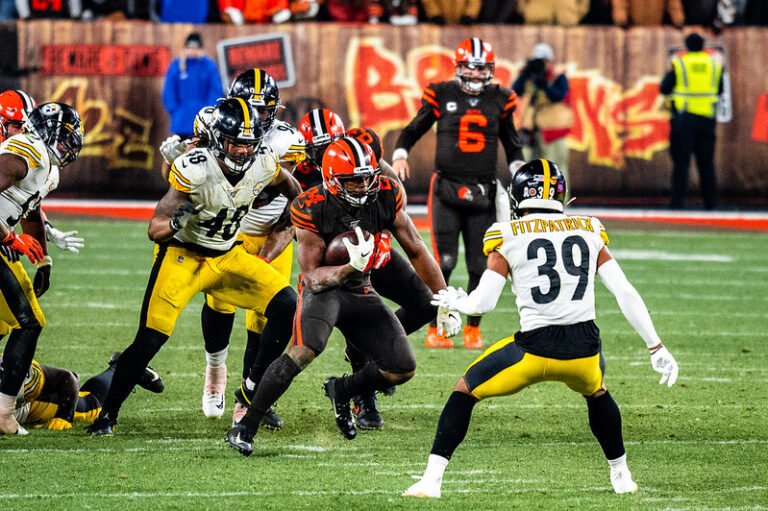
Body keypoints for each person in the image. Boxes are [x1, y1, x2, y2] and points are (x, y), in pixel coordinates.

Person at [403, 159, 680, 498]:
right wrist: (656, 346)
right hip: (584, 353)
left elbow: (483, 303)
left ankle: (431, 481)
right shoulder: (589, 229)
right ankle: (621, 476)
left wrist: (456, 301)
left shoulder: (506, 234)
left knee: (464, 391)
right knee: (597, 392)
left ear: (520, 196)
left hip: (532, 351)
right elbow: (625, 292)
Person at [225, 136, 460, 456]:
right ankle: (246, 424)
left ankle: (342, 390)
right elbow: (313, 277)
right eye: (354, 180)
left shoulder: (386, 194)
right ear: (333, 180)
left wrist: (442, 299)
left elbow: (417, 249)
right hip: (325, 291)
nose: (364, 185)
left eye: (368, 177)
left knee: (401, 366)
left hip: (361, 289)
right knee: (305, 350)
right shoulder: (310, 206)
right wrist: (348, 268)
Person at [86, 98, 301, 436]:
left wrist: (287, 224)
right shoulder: (196, 167)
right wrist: (175, 224)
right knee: (150, 338)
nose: (244, 151)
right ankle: (107, 416)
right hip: (182, 256)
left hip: (227, 255)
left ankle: (250, 388)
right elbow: (154, 227)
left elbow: (295, 191)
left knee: (287, 303)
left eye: (249, 144)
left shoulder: (264, 162)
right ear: (218, 140)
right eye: (236, 143)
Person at [392, 37, 524, 350]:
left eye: (482, 69)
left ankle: (472, 328)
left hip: (484, 191)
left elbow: (512, 141)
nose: (477, 75)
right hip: (446, 190)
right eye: (471, 68)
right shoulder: (442, 93)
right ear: (460, 67)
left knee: (482, 265)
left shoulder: (501, 99)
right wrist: (400, 153)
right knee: (444, 263)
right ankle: (439, 324)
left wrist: (520, 169)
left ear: (490, 70)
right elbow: (414, 128)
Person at [199, 68, 305, 429]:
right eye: (249, 108)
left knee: (268, 314)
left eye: (264, 110)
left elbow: (288, 192)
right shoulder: (214, 124)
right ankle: (215, 371)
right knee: (219, 302)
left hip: (273, 231)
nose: (256, 119)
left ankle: (250, 397)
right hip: (231, 230)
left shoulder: (286, 140)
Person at [0, 102, 84, 435]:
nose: (68, 146)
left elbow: (30, 208)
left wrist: (44, 258)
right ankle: (4, 412)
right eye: (64, 138)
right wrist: (11, 238)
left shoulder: (47, 167)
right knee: (29, 322)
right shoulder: (27, 151)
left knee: (21, 322)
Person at [0, 89, 85, 254]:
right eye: (17, 126)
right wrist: (8, 238)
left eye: (26, 125)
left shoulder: (32, 158)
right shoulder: (20, 155)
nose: (23, 132)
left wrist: (46, 228)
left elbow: (25, 201)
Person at [0, 351, 164, 431]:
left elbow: (68, 377)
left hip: (42, 403)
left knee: (91, 404)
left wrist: (64, 416)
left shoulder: (12, 369)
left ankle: (124, 366)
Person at [660, 32, 723, 210]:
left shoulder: (680, 63)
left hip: (684, 119)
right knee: (707, 164)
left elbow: (664, 88)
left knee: (681, 164)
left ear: (687, 46)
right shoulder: (714, 64)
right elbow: (719, 89)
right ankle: (711, 204)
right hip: (707, 119)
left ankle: (676, 204)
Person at [512, 43, 572, 189]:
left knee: (555, 168)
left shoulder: (558, 77)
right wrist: (525, 74)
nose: (540, 64)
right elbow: (515, 90)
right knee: (531, 167)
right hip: (532, 128)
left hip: (552, 130)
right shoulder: (529, 76)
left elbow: (558, 96)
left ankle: (560, 202)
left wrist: (544, 84)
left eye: (543, 61)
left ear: (550, 62)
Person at [161, 32, 224, 140]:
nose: (192, 51)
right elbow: (169, 90)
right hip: (181, 120)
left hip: (202, 121)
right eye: (189, 47)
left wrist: (209, 110)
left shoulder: (208, 65)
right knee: (180, 154)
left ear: (201, 49)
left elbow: (216, 90)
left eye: (195, 48)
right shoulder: (177, 65)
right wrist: (175, 109)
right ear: (185, 48)